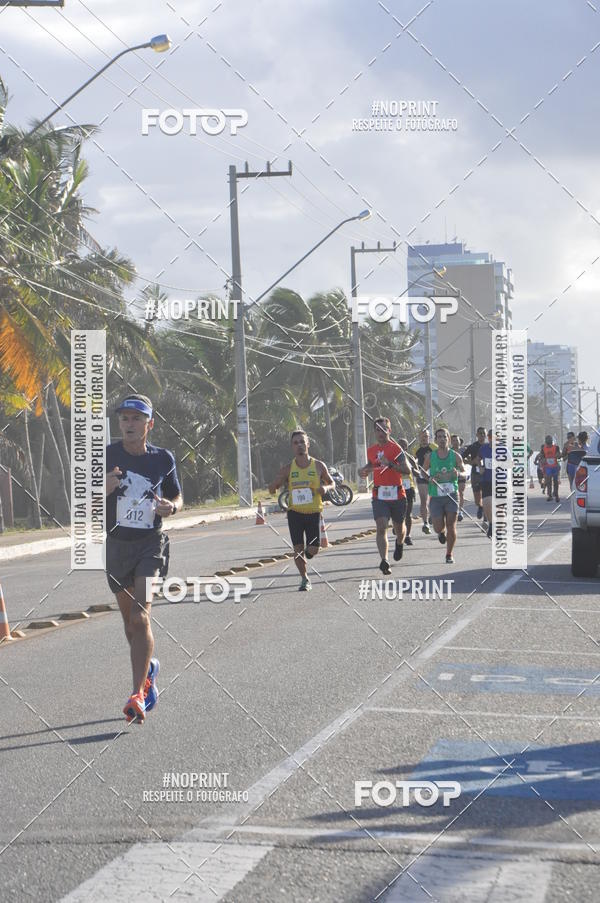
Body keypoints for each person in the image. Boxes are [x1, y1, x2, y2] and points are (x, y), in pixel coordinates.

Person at [106, 394, 182, 723]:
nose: (129, 424)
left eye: (137, 419)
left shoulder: (162, 459)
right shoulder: (106, 455)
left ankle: (137, 694)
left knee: (140, 616)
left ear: (149, 424)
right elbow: (83, 500)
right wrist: (102, 489)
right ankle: (148, 669)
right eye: (124, 419)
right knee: (129, 624)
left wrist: (173, 506)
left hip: (151, 543)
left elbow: (177, 495)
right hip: (116, 545)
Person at [268, 430, 334, 591]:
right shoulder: (288, 469)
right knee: (297, 549)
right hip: (295, 514)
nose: (299, 445)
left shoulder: (318, 465)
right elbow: (272, 488)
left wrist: (325, 488)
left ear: (308, 444)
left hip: (313, 513)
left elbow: (332, 483)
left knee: (313, 549)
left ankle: (306, 553)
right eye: (296, 443)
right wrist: (273, 486)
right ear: (292, 447)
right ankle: (304, 579)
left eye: (302, 442)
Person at [359, 417, 410, 574]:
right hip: (379, 494)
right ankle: (384, 560)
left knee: (399, 527)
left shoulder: (396, 449)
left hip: (397, 494)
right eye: (377, 430)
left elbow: (407, 470)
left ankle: (400, 543)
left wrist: (390, 464)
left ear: (389, 430)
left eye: (383, 429)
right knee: (381, 527)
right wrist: (363, 470)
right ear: (374, 432)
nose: (380, 432)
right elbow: (371, 465)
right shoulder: (371, 450)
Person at [423, 427, 465, 563]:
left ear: (448, 439)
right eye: (439, 437)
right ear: (436, 440)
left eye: (444, 437)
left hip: (452, 495)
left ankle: (449, 554)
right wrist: (429, 478)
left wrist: (458, 474)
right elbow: (422, 472)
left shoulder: (455, 455)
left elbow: (465, 472)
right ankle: (441, 533)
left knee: (451, 525)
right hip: (435, 496)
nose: (442, 439)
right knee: (437, 527)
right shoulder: (431, 456)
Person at [412, 429, 436, 534]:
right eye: (422, 436)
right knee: (423, 500)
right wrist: (415, 469)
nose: (424, 438)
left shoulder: (434, 447)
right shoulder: (416, 449)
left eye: (426, 436)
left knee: (433, 499)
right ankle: (425, 523)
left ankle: (432, 515)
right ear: (419, 437)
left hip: (434, 476)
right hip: (422, 477)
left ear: (429, 437)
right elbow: (413, 462)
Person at [462, 427, 488, 521]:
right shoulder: (473, 446)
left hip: (486, 474)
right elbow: (462, 458)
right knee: (477, 498)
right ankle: (480, 507)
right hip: (475, 474)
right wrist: (470, 462)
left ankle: (486, 516)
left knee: (486, 496)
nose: (482, 435)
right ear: (476, 435)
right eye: (480, 433)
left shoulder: (488, 446)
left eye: (483, 434)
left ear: (486, 435)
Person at [398, 438, 418, 546]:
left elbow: (416, 470)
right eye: (399, 445)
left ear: (406, 447)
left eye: (403, 446)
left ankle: (408, 535)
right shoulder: (394, 457)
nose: (401, 447)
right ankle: (399, 529)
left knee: (408, 514)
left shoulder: (409, 457)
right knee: (398, 514)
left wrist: (413, 468)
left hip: (409, 488)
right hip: (396, 487)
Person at [479, 429, 493, 537]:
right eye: (491, 436)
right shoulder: (483, 448)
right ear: (488, 437)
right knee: (487, 504)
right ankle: (491, 524)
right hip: (486, 480)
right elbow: (478, 459)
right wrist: (480, 467)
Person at [451, 434, 468, 521]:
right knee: (453, 493)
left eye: (456, 440)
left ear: (459, 441)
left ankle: (460, 511)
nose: (455, 442)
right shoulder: (448, 452)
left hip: (461, 474)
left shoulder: (463, 450)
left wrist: (466, 461)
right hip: (451, 476)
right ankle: (453, 510)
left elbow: (469, 459)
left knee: (461, 492)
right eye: (453, 441)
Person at [542, 434, 561, 502]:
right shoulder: (543, 448)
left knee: (555, 482)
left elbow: (559, 455)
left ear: (552, 441)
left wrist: (558, 455)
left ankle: (556, 495)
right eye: (547, 440)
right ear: (546, 441)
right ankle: (550, 495)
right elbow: (542, 457)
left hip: (555, 466)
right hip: (548, 467)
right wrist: (542, 460)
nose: (549, 441)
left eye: (549, 440)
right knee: (549, 481)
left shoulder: (556, 447)